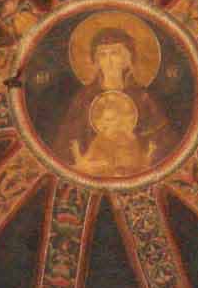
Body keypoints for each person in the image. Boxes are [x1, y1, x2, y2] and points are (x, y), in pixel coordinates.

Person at [51, 14, 175, 175]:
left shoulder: (143, 98)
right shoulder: (84, 98)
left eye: (115, 53)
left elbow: (164, 143)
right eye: (102, 55)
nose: (109, 61)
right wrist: (80, 165)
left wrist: (144, 159)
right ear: (95, 61)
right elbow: (64, 145)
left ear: (128, 59)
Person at [69, 91, 153, 178]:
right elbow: (85, 163)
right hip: (103, 179)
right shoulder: (99, 139)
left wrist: (148, 154)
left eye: (111, 119)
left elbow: (140, 165)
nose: (106, 123)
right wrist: (77, 153)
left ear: (120, 119)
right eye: (105, 120)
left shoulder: (130, 139)